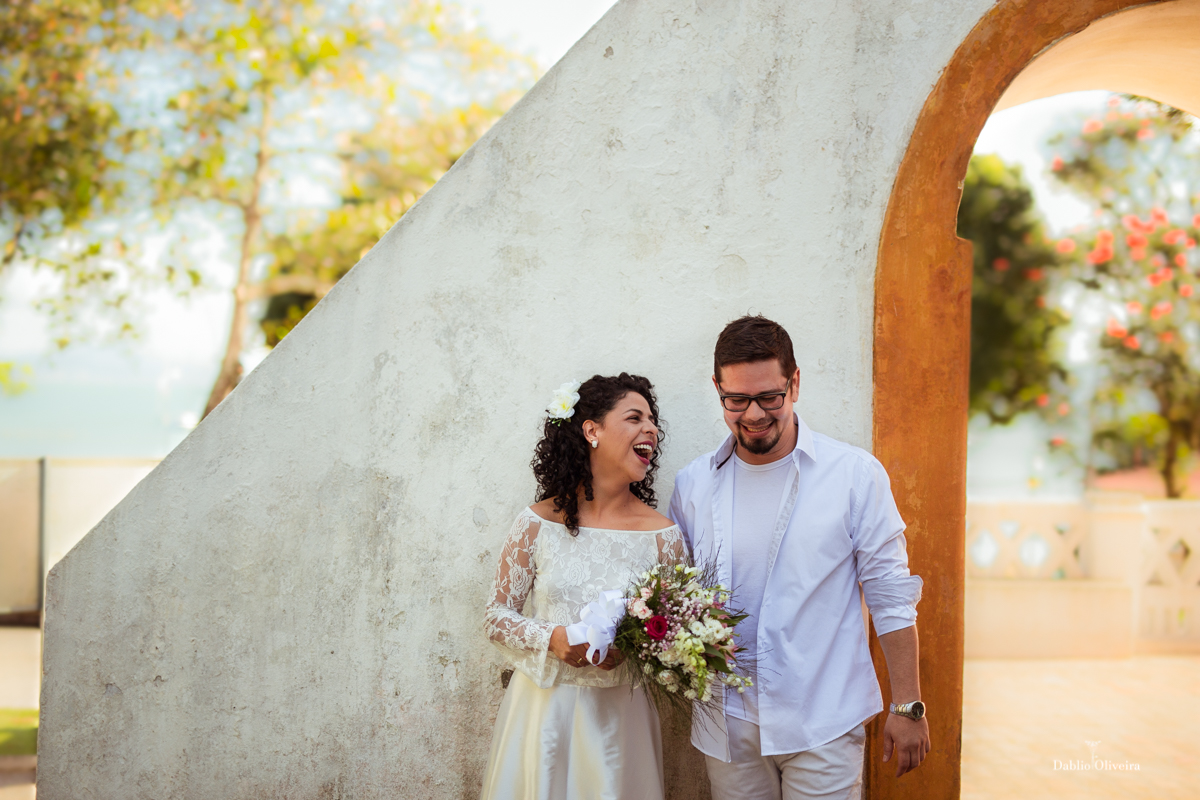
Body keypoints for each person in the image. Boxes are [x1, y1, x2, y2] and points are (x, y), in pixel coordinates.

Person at [668, 316, 931, 800]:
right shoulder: (692, 484)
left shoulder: (854, 475)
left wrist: (907, 705)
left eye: (770, 397)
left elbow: (891, 595)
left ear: (795, 382)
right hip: (727, 726)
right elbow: (678, 596)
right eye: (736, 400)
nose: (753, 414)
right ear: (717, 389)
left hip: (823, 719)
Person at [481, 373, 685, 800]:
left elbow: (679, 630)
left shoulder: (664, 536)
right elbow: (497, 616)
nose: (651, 428)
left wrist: (636, 649)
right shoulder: (536, 524)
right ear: (592, 430)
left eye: (653, 420)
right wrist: (552, 638)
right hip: (542, 714)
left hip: (620, 721)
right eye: (634, 417)